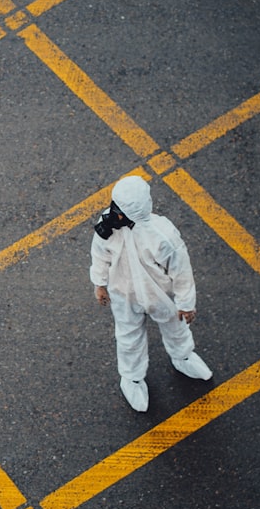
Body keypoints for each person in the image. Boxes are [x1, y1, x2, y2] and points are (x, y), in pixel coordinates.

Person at [89, 175, 212, 412]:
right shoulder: (108, 226)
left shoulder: (162, 234)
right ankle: (132, 378)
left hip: (160, 294)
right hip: (123, 294)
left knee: (175, 327)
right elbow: (99, 254)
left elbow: (181, 270)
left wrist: (186, 303)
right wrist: (100, 283)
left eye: (120, 210)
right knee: (128, 337)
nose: (115, 214)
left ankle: (183, 357)